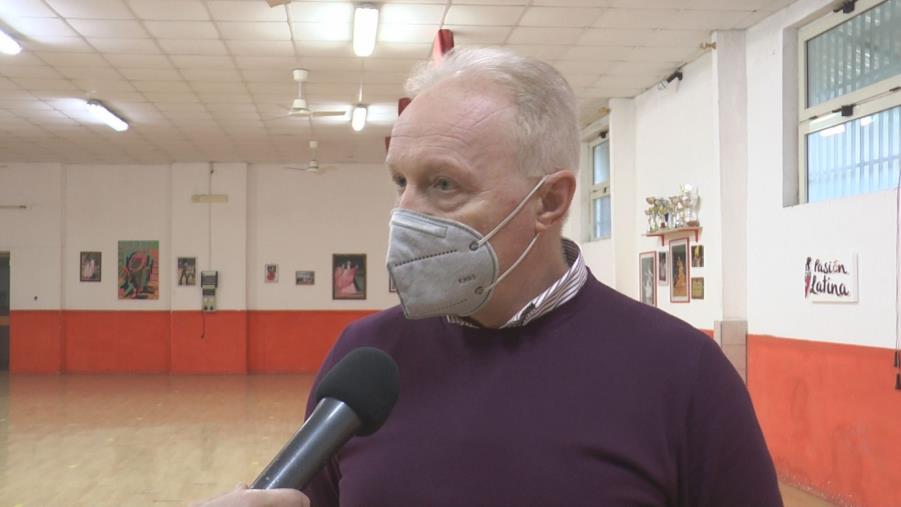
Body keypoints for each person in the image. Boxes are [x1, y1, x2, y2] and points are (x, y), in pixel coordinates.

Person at [195, 47, 782, 507]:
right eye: (401, 182)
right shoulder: (366, 356)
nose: (407, 215)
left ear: (549, 201)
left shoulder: (683, 374)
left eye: (444, 185)